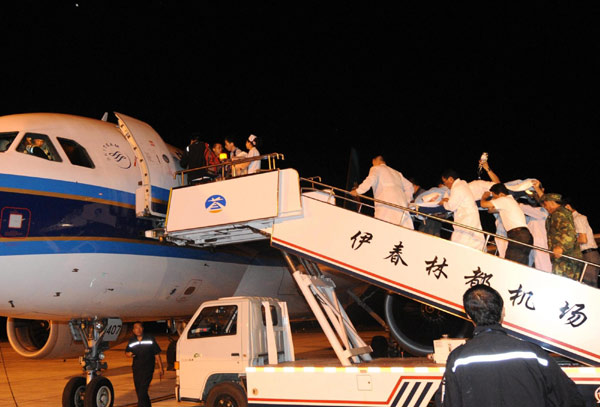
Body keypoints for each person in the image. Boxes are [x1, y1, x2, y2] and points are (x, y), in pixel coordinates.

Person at [435, 284, 584, 407]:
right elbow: (572, 399)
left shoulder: (458, 360)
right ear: (503, 312)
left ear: (468, 315)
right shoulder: (533, 354)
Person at [350, 155, 414, 229]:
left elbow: (370, 180)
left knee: (383, 228)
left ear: (375, 160)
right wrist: (406, 200)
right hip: (401, 207)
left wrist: (358, 191)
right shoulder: (397, 173)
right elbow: (410, 186)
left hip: (385, 206)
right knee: (402, 230)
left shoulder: (376, 168)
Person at [480, 183, 533, 265]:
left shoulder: (504, 200)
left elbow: (483, 204)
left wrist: (484, 197)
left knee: (510, 264)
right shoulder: (509, 202)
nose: (494, 199)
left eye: (494, 196)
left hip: (518, 235)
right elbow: (490, 210)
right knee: (520, 266)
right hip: (523, 235)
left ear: (501, 194)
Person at [539, 193, 583, 281]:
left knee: (562, 284)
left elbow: (569, 232)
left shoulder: (559, 213)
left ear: (551, 202)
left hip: (567, 258)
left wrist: (561, 247)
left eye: (545, 203)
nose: (545, 207)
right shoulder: (557, 213)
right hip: (564, 257)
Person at [440, 169, 485, 251]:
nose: (445, 184)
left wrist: (443, 203)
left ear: (450, 179)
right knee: (470, 242)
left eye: (444, 181)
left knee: (463, 243)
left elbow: (451, 206)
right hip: (469, 217)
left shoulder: (457, 187)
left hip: (466, 219)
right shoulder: (462, 185)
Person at [125, 321, 164, 407]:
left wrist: (161, 368)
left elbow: (157, 354)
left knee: (142, 390)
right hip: (137, 369)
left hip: (148, 369)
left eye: (139, 327)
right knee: (139, 391)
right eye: (136, 328)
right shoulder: (132, 340)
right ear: (133, 330)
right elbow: (127, 352)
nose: (138, 330)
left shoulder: (150, 338)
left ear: (142, 329)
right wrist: (129, 354)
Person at [565, 201, 600, 287]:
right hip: (586, 254)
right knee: (586, 283)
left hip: (589, 254)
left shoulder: (578, 218)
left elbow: (583, 239)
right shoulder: (575, 219)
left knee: (588, 284)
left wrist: (568, 243)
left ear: (568, 206)